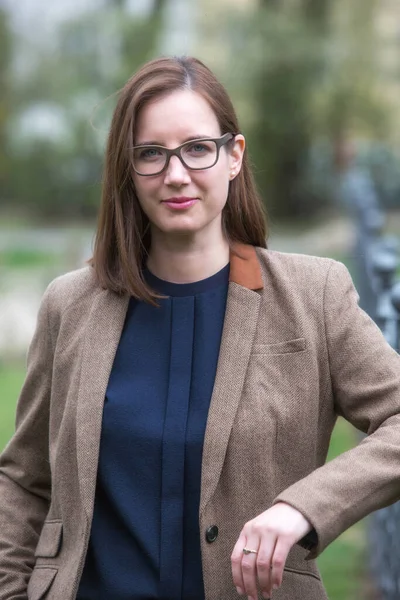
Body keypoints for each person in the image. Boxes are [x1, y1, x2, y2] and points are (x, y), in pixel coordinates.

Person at [1, 56, 400, 600]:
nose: (175, 174)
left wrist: (301, 508)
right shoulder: (69, 305)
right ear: (128, 167)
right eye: (150, 154)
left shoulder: (315, 295)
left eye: (196, 148)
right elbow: (23, 480)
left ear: (233, 156)